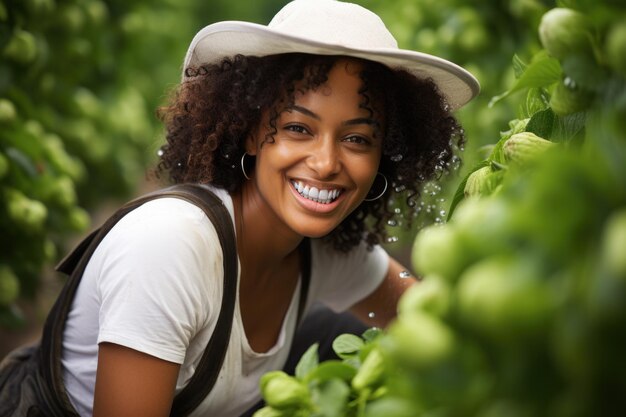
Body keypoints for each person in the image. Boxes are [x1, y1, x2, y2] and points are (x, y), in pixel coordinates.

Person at [60, 0, 479, 416]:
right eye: (298, 128)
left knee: (345, 335)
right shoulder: (169, 245)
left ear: (382, 156)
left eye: (357, 139)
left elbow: (428, 323)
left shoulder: (325, 250)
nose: (327, 163)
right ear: (250, 133)